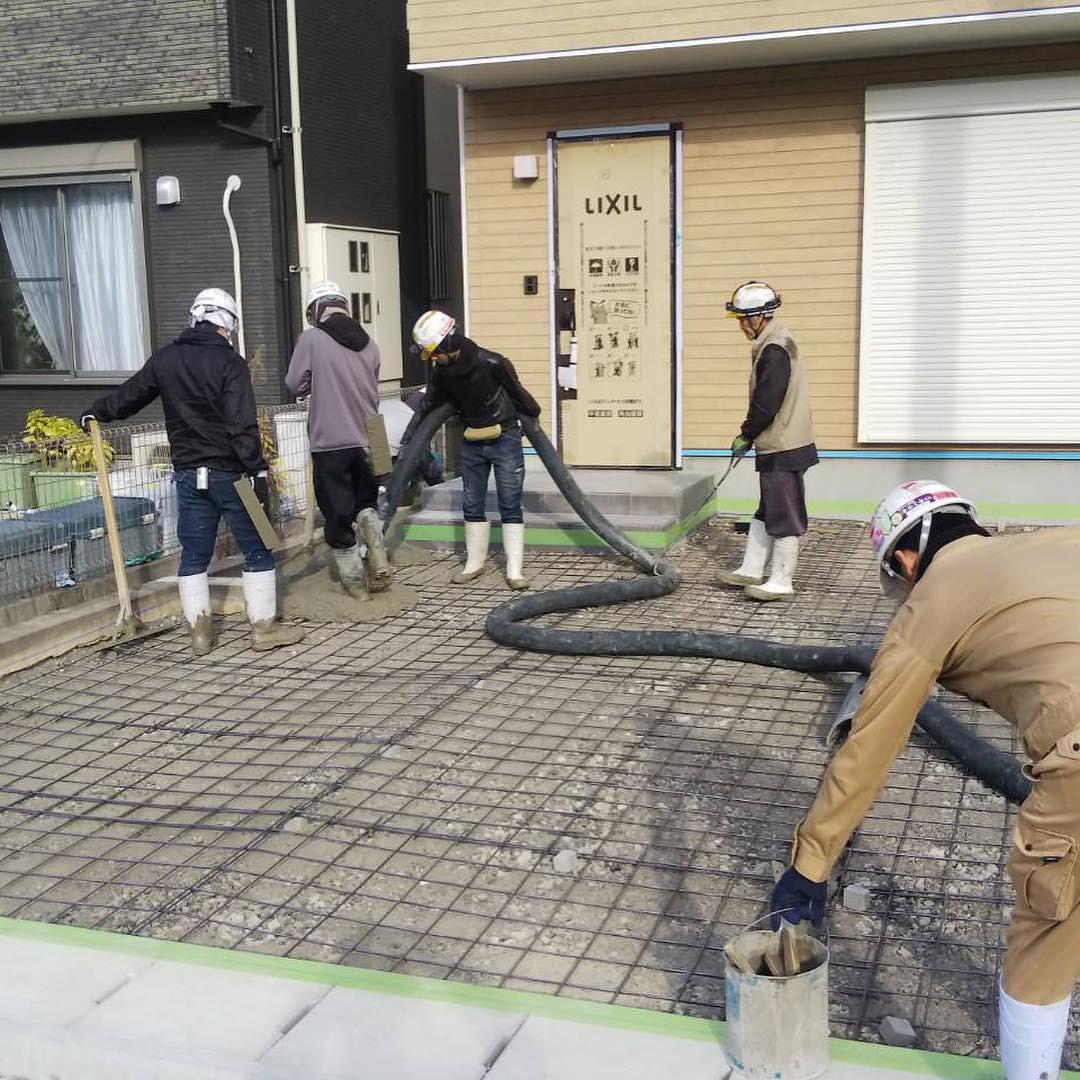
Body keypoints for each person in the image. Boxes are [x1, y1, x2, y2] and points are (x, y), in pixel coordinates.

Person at [770, 480, 1080, 1079]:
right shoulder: (1061, 542)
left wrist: (810, 864)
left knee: (1047, 940)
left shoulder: (930, 602)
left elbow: (870, 745)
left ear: (907, 558)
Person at [79, 288, 305, 656]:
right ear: (227, 324)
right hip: (231, 474)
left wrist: (95, 412)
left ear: (195, 318)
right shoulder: (230, 364)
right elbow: (241, 423)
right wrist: (257, 469)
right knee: (259, 549)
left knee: (194, 556)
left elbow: (130, 395)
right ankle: (263, 631)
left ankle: (200, 635)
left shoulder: (166, 359)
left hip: (187, 473)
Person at [403, 310, 539, 590]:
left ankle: (514, 570)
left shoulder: (492, 363)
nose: (433, 359)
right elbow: (429, 406)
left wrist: (533, 418)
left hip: (505, 437)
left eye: (434, 353)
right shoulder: (442, 374)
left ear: (448, 343)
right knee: (472, 502)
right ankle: (474, 564)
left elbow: (519, 394)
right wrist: (409, 440)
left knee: (510, 501)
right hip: (473, 440)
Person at [285, 281, 392, 597]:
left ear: (316, 310)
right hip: (371, 437)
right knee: (365, 501)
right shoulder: (370, 343)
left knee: (337, 514)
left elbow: (294, 383)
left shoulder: (312, 339)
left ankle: (356, 585)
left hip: (330, 440)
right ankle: (377, 547)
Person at [717, 281, 818, 601]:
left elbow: (766, 402)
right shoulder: (776, 341)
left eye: (744, 319)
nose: (741, 326)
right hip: (782, 442)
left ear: (760, 316)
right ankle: (751, 568)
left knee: (784, 513)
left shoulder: (774, 349)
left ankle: (781, 582)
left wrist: (746, 433)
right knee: (767, 509)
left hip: (783, 445)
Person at [379, 389, 444, 487]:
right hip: (387, 449)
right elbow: (426, 462)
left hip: (369, 438)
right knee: (389, 486)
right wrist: (440, 486)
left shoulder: (400, 408)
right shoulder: (415, 423)